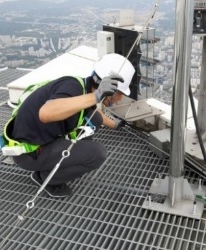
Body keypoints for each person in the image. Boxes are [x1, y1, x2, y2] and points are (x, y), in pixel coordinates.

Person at [10, 53, 135, 198]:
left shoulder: (81, 86)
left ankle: (55, 162)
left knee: (93, 119)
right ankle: (46, 178)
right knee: (97, 154)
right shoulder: (74, 89)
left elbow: (94, 113)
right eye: (120, 93)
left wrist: (116, 124)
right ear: (110, 90)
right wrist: (97, 96)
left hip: (37, 141)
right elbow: (46, 113)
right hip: (30, 154)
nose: (119, 99)